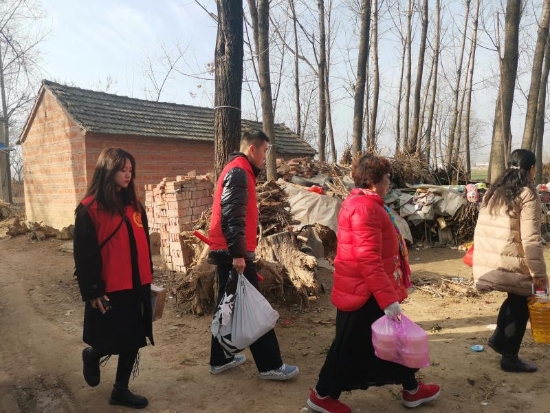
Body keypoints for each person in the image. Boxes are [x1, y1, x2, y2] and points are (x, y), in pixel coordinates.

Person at [307, 154, 440, 413]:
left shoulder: (365, 203)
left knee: (394, 339)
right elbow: (367, 258)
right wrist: (387, 299)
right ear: (374, 180)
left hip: (368, 288)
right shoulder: (364, 208)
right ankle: (323, 395)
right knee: (348, 345)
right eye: (387, 177)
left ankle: (411, 389)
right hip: (364, 291)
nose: (389, 181)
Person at [207, 129, 299, 380]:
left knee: (227, 304)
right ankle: (270, 365)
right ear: (252, 149)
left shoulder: (239, 171)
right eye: (264, 151)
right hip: (233, 253)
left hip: (228, 251)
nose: (265, 156)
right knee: (255, 307)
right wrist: (238, 255)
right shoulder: (238, 172)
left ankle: (220, 359)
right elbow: (232, 217)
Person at [73, 147, 154, 409]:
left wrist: (149, 277)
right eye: (122, 169)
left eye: (130, 170)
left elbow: (143, 245)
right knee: (110, 337)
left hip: (137, 284)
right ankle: (93, 354)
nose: (128, 175)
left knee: (134, 338)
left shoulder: (135, 207)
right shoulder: (89, 209)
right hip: (109, 288)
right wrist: (93, 290)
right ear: (108, 170)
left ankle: (120, 390)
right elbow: (84, 256)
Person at [473, 148, 548, 373]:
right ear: (531, 169)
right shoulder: (527, 194)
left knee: (514, 298)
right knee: (521, 306)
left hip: (493, 258)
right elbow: (531, 238)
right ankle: (510, 358)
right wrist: (539, 274)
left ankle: (499, 340)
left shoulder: (494, 191)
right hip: (514, 259)